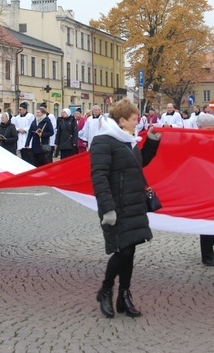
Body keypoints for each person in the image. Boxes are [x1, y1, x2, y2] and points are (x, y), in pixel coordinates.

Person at [90, 99, 160, 319]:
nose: (137, 121)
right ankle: (106, 290)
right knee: (123, 251)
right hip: (116, 205)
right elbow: (98, 176)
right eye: (133, 119)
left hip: (133, 203)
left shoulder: (128, 140)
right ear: (121, 121)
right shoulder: (103, 141)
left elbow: (139, 164)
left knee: (129, 251)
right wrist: (107, 208)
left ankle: (124, 295)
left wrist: (152, 142)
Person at [195, 112, 214, 266]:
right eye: (208, 129)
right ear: (199, 129)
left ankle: (209, 248)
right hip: (202, 188)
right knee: (207, 221)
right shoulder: (194, 142)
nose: (211, 132)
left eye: (213, 129)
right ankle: (207, 255)